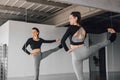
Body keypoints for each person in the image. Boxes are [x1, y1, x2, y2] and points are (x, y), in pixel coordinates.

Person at [60, 11, 117, 80]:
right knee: (99, 45)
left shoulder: (70, 28)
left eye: (70, 18)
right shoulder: (84, 28)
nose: (69, 20)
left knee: (80, 78)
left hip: (76, 55)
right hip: (85, 51)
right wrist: (107, 29)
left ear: (76, 18)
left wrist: (67, 50)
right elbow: (96, 31)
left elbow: (62, 41)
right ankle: (112, 38)